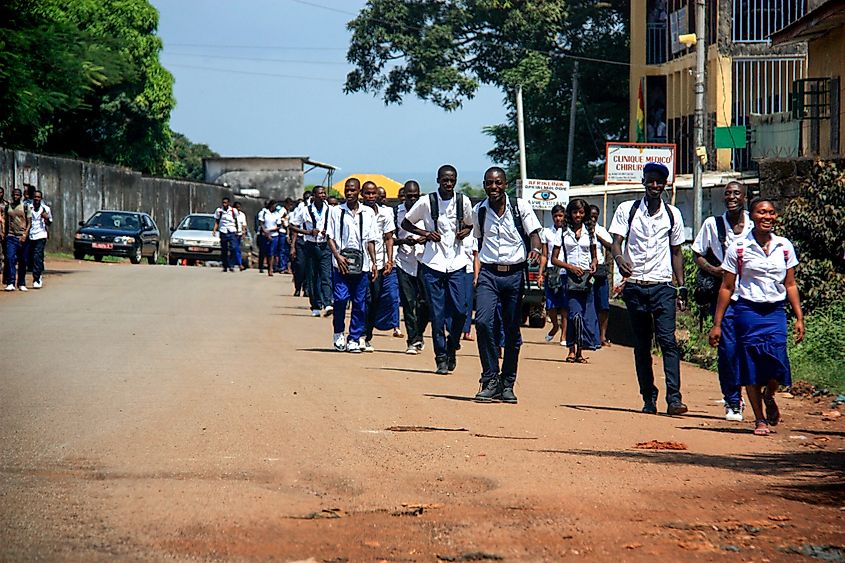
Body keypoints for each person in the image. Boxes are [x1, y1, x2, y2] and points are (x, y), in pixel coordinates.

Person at [709, 198, 803, 436]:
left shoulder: (784, 246)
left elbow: (790, 284)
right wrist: (717, 324)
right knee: (750, 365)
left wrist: (799, 317)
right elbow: (727, 287)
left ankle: (769, 394)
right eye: (762, 212)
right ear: (752, 216)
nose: (767, 217)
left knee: (778, 360)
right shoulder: (739, 248)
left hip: (775, 313)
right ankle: (759, 419)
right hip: (748, 312)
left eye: (771, 213)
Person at [609, 162, 688, 415]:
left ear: (665, 185)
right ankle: (648, 398)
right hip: (635, 288)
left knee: (668, 342)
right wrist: (619, 260)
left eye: (659, 182)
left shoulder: (673, 214)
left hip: (663, 287)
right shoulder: (627, 210)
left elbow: (677, 252)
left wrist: (682, 286)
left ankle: (674, 399)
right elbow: (616, 242)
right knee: (642, 345)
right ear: (643, 182)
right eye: (650, 181)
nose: (654, 185)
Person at [472, 167, 542, 403]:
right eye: (490, 183)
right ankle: (490, 378)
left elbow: (534, 234)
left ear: (506, 184)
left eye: (498, 183)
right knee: (482, 322)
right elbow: (479, 241)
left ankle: (507, 383)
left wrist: (535, 249)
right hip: (489, 274)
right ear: (484, 185)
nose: (494, 187)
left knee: (512, 330)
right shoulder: (479, 211)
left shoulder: (519, 207)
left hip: (514, 276)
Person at [402, 164, 474, 375]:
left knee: (461, 309)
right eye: (445, 180)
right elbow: (407, 223)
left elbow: (471, 225)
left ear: (456, 181)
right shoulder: (427, 202)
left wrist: (464, 231)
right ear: (438, 180)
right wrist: (424, 233)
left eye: (451, 180)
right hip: (433, 263)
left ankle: (453, 345)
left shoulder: (463, 201)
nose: (448, 183)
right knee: (437, 313)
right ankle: (441, 357)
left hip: (457, 263)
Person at [692, 181, 752, 422]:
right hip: (725, 298)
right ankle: (733, 400)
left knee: (752, 351)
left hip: (753, 298)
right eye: (727, 194)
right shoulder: (712, 225)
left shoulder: (755, 223)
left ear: (745, 197)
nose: (731, 197)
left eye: (736, 193)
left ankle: (759, 395)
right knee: (728, 351)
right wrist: (715, 270)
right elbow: (697, 254)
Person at [326, 178, 378, 353]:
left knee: (359, 302)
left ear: (359, 192)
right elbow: (330, 237)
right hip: (341, 264)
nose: (349, 193)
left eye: (353, 190)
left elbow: (371, 240)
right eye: (347, 190)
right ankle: (338, 333)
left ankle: (354, 338)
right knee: (340, 299)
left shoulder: (368, 213)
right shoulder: (335, 211)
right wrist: (337, 256)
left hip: (362, 265)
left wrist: (374, 263)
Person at [551, 199, 600, 363]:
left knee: (585, 316)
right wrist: (570, 267)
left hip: (586, 279)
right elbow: (554, 259)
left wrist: (593, 264)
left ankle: (580, 351)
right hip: (570, 278)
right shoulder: (563, 232)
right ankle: (571, 349)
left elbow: (594, 256)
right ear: (570, 214)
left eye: (581, 212)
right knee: (573, 314)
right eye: (574, 212)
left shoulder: (590, 232)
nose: (578, 215)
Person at [360, 182, 396, 351]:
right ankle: (358, 334)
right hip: (360, 263)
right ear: (362, 194)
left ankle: (367, 335)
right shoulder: (357, 212)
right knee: (362, 299)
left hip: (380, 263)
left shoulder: (385, 214)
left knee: (374, 299)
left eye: (373, 193)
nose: (371, 197)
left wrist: (390, 260)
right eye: (367, 193)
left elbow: (389, 238)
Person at [394, 181, 429, 355]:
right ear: (404, 196)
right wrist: (404, 241)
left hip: (424, 261)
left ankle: (419, 332)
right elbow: (391, 239)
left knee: (425, 302)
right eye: (409, 196)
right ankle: (412, 340)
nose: (413, 199)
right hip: (404, 262)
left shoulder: (427, 210)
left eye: (416, 196)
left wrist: (425, 238)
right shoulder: (396, 212)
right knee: (409, 303)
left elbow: (435, 233)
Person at [289, 186, 333, 316]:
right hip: (311, 246)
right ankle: (315, 306)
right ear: (313, 196)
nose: (323, 195)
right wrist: (307, 232)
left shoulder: (331, 210)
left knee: (326, 275)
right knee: (312, 276)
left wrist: (328, 232)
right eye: (319, 193)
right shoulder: (305, 210)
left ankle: (327, 303)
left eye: (324, 193)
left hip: (325, 246)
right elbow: (292, 226)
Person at [538, 204, 567, 346]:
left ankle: (564, 335)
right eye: (556, 216)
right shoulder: (546, 232)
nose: (558, 218)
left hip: (565, 271)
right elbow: (544, 254)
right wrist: (540, 273)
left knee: (565, 305)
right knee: (551, 305)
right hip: (551, 270)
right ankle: (555, 326)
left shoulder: (568, 232)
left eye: (560, 215)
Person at [589, 205, 613, 347]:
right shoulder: (580, 229)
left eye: (595, 215)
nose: (592, 218)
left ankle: (602, 336)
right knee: (589, 305)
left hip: (600, 270)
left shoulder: (601, 230)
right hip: (586, 271)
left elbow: (610, 246)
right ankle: (591, 336)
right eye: (590, 215)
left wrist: (595, 235)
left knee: (603, 306)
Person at [27, 190, 52, 289]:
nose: (37, 199)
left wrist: (46, 218)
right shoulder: (29, 207)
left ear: (41, 199)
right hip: (30, 235)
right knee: (31, 257)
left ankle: (37, 279)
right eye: (35, 197)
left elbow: (50, 222)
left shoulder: (46, 209)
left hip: (41, 235)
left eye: (38, 197)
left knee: (37, 256)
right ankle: (38, 271)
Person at [211, 197, 240, 272]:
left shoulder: (234, 211)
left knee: (233, 248)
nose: (224, 204)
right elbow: (217, 221)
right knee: (224, 250)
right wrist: (214, 230)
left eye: (226, 202)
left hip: (232, 231)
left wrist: (238, 230)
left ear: (229, 203)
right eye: (223, 202)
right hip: (223, 231)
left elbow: (236, 220)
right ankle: (225, 266)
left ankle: (231, 265)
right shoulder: (219, 211)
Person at [257, 200, 282, 277]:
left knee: (272, 253)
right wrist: (266, 233)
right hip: (264, 235)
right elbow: (261, 224)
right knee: (264, 252)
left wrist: (270, 231)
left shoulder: (277, 214)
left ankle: (270, 269)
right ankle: (262, 266)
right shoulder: (263, 213)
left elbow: (278, 226)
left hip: (274, 235)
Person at [233, 201, 248, 271]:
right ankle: (239, 264)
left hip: (239, 234)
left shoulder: (242, 215)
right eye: (237, 208)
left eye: (239, 208)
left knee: (237, 249)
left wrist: (244, 233)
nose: (238, 209)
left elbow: (244, 225)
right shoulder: (231, 215)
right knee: (235, 249)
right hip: (232, 234)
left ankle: (237, 264)